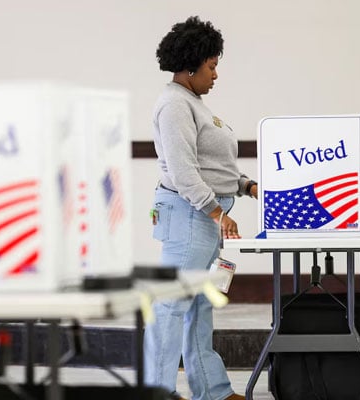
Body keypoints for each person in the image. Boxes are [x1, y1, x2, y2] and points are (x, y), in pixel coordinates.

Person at [145, 16, 257, 400]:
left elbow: (212, 163)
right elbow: (182, 170)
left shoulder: (192, 103)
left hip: (201, 217)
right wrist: (217, 213)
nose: (216, 74)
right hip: (189, 216)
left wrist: (245, 185)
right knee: (170, 309)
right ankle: (156, 393)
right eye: (211, 66)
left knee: (198, 306)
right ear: (191, 66)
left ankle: (212, 391)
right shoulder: (174, 105)